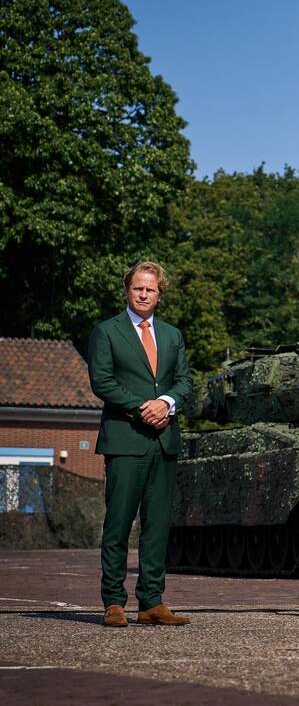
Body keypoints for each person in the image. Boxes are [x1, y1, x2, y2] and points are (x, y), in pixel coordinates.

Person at [87, 261, 193, 627]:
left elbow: (184, 381)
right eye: (138, 288)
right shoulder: (107, 332)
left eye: (150, 289)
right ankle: (113, 602)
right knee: (118, 522)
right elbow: (101, 381)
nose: (144, 294)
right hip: (124, 440)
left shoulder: (172, 335)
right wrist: (140, 408)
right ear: (127, 291)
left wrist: (167, 403)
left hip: (164, 440)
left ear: (159, 294)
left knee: (157, 525)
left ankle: (152, 602)